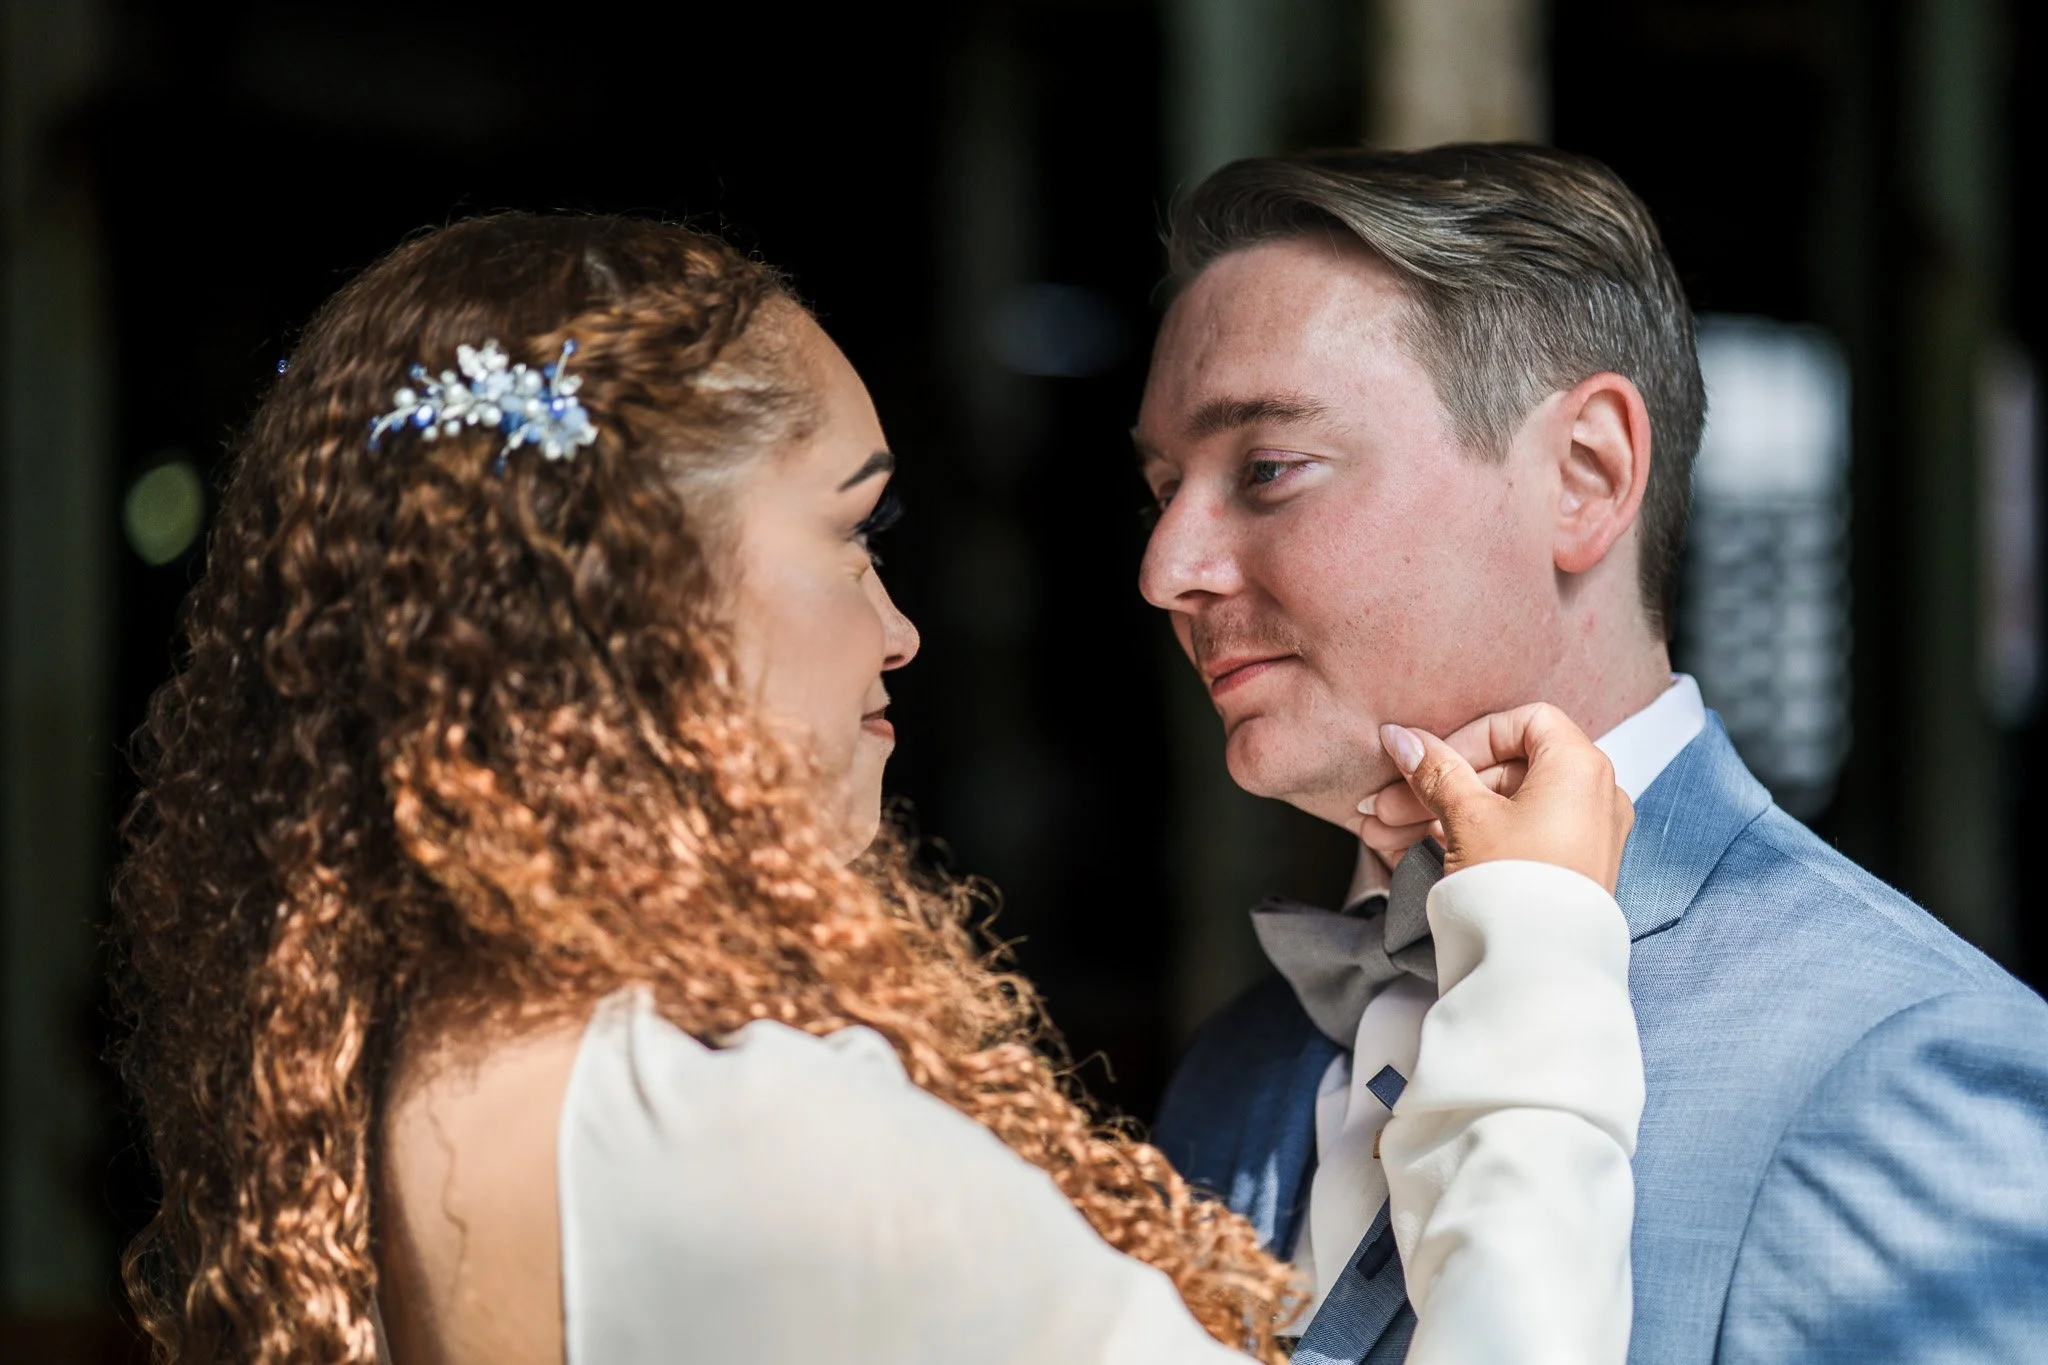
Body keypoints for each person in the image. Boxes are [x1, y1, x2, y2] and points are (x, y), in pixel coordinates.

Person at [112, 211, 1648, 1365]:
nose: (900, 627)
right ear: (637, 592)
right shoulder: (736, 1124)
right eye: (855, 532)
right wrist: (1541, 959)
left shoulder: (442, 1067)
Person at [1139, 142, 2048, 1363]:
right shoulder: (1234, 1070)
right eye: (1161, 489)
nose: (1166, 572)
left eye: (1266, 468)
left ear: (1585, 476)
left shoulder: (1895, 1058)